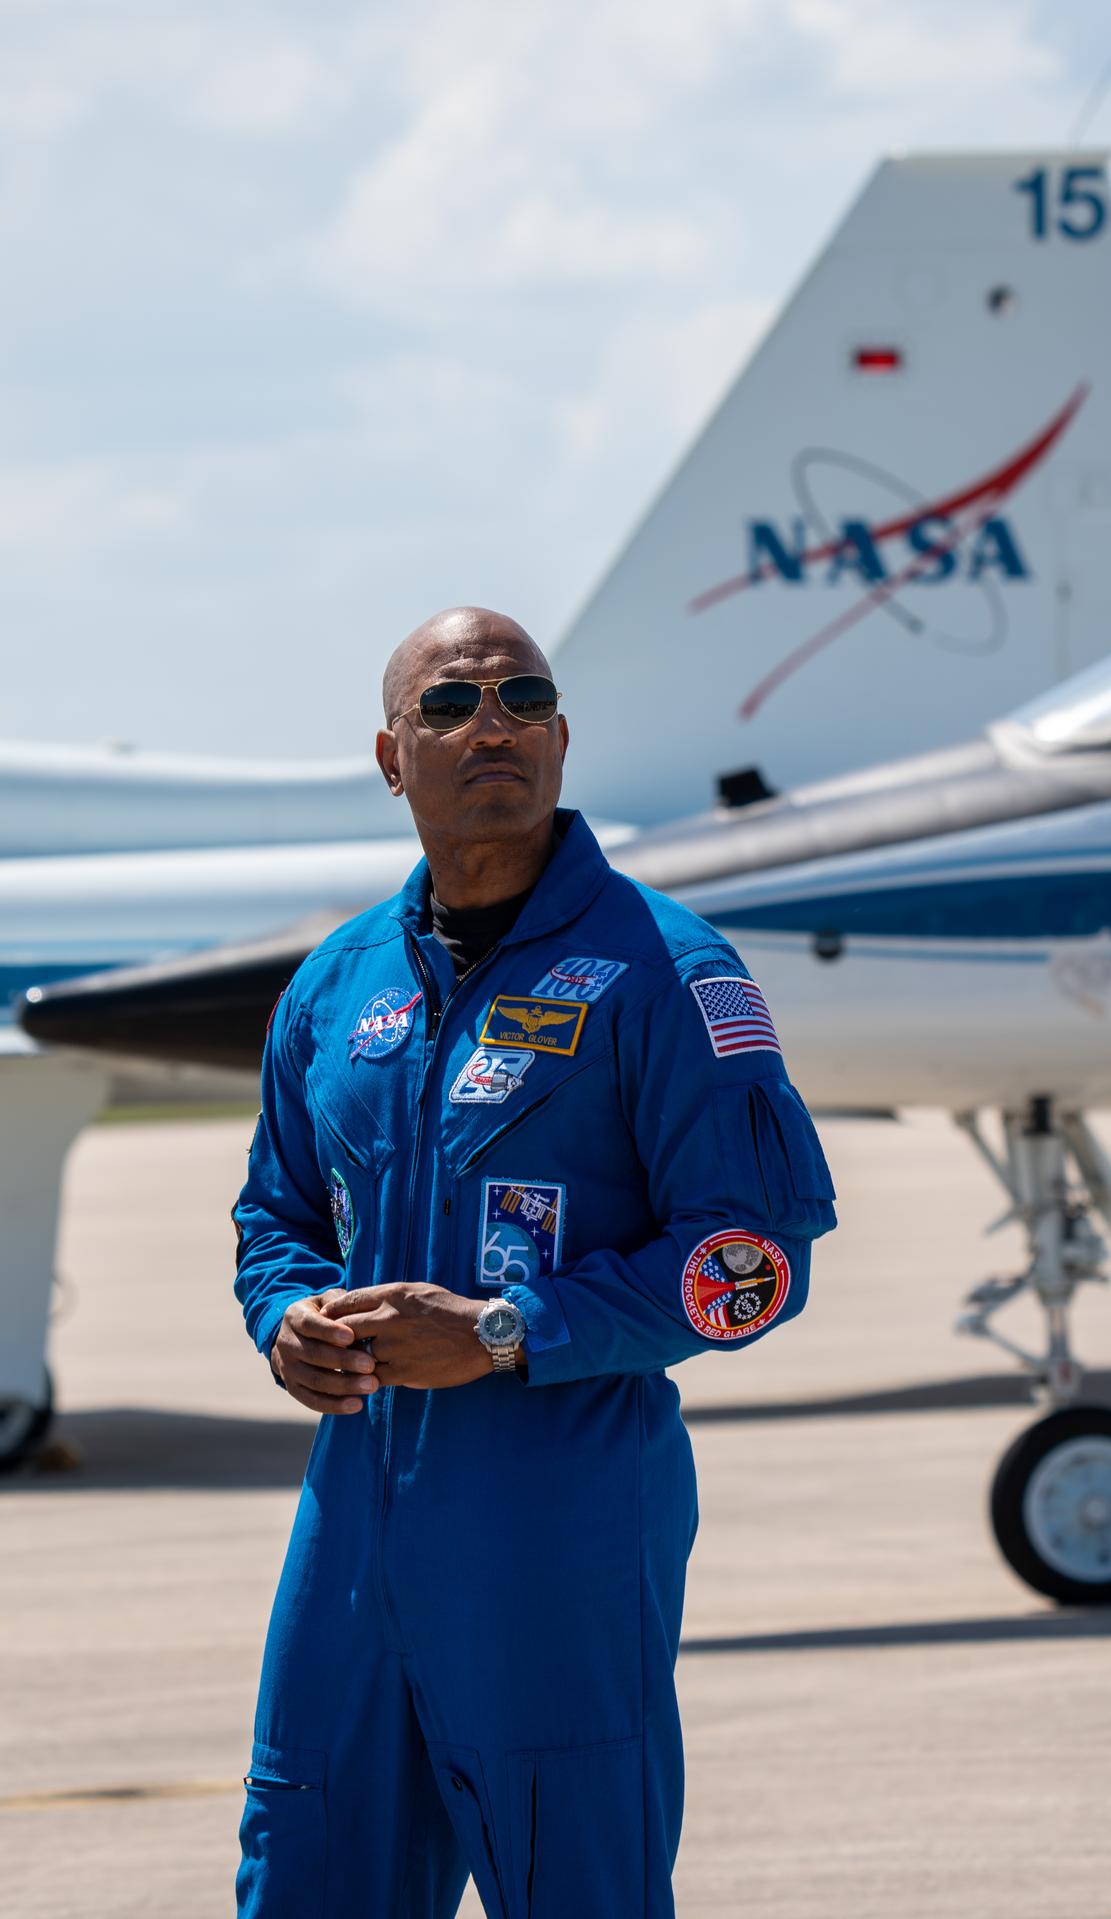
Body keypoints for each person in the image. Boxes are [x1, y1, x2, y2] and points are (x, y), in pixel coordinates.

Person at [232, 606, 836, 1919]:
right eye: (447, 705)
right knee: (305, 1862)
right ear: (394, 759)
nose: (488, 722)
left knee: (579, 1883)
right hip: (351, 1529)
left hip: (559, 1530)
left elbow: (754, 1258)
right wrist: (285, 1317)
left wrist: (508, 1333)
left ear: (560, 740)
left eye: (522, 697)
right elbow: (275, 1212)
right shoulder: (334, 988)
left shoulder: (665, 973)